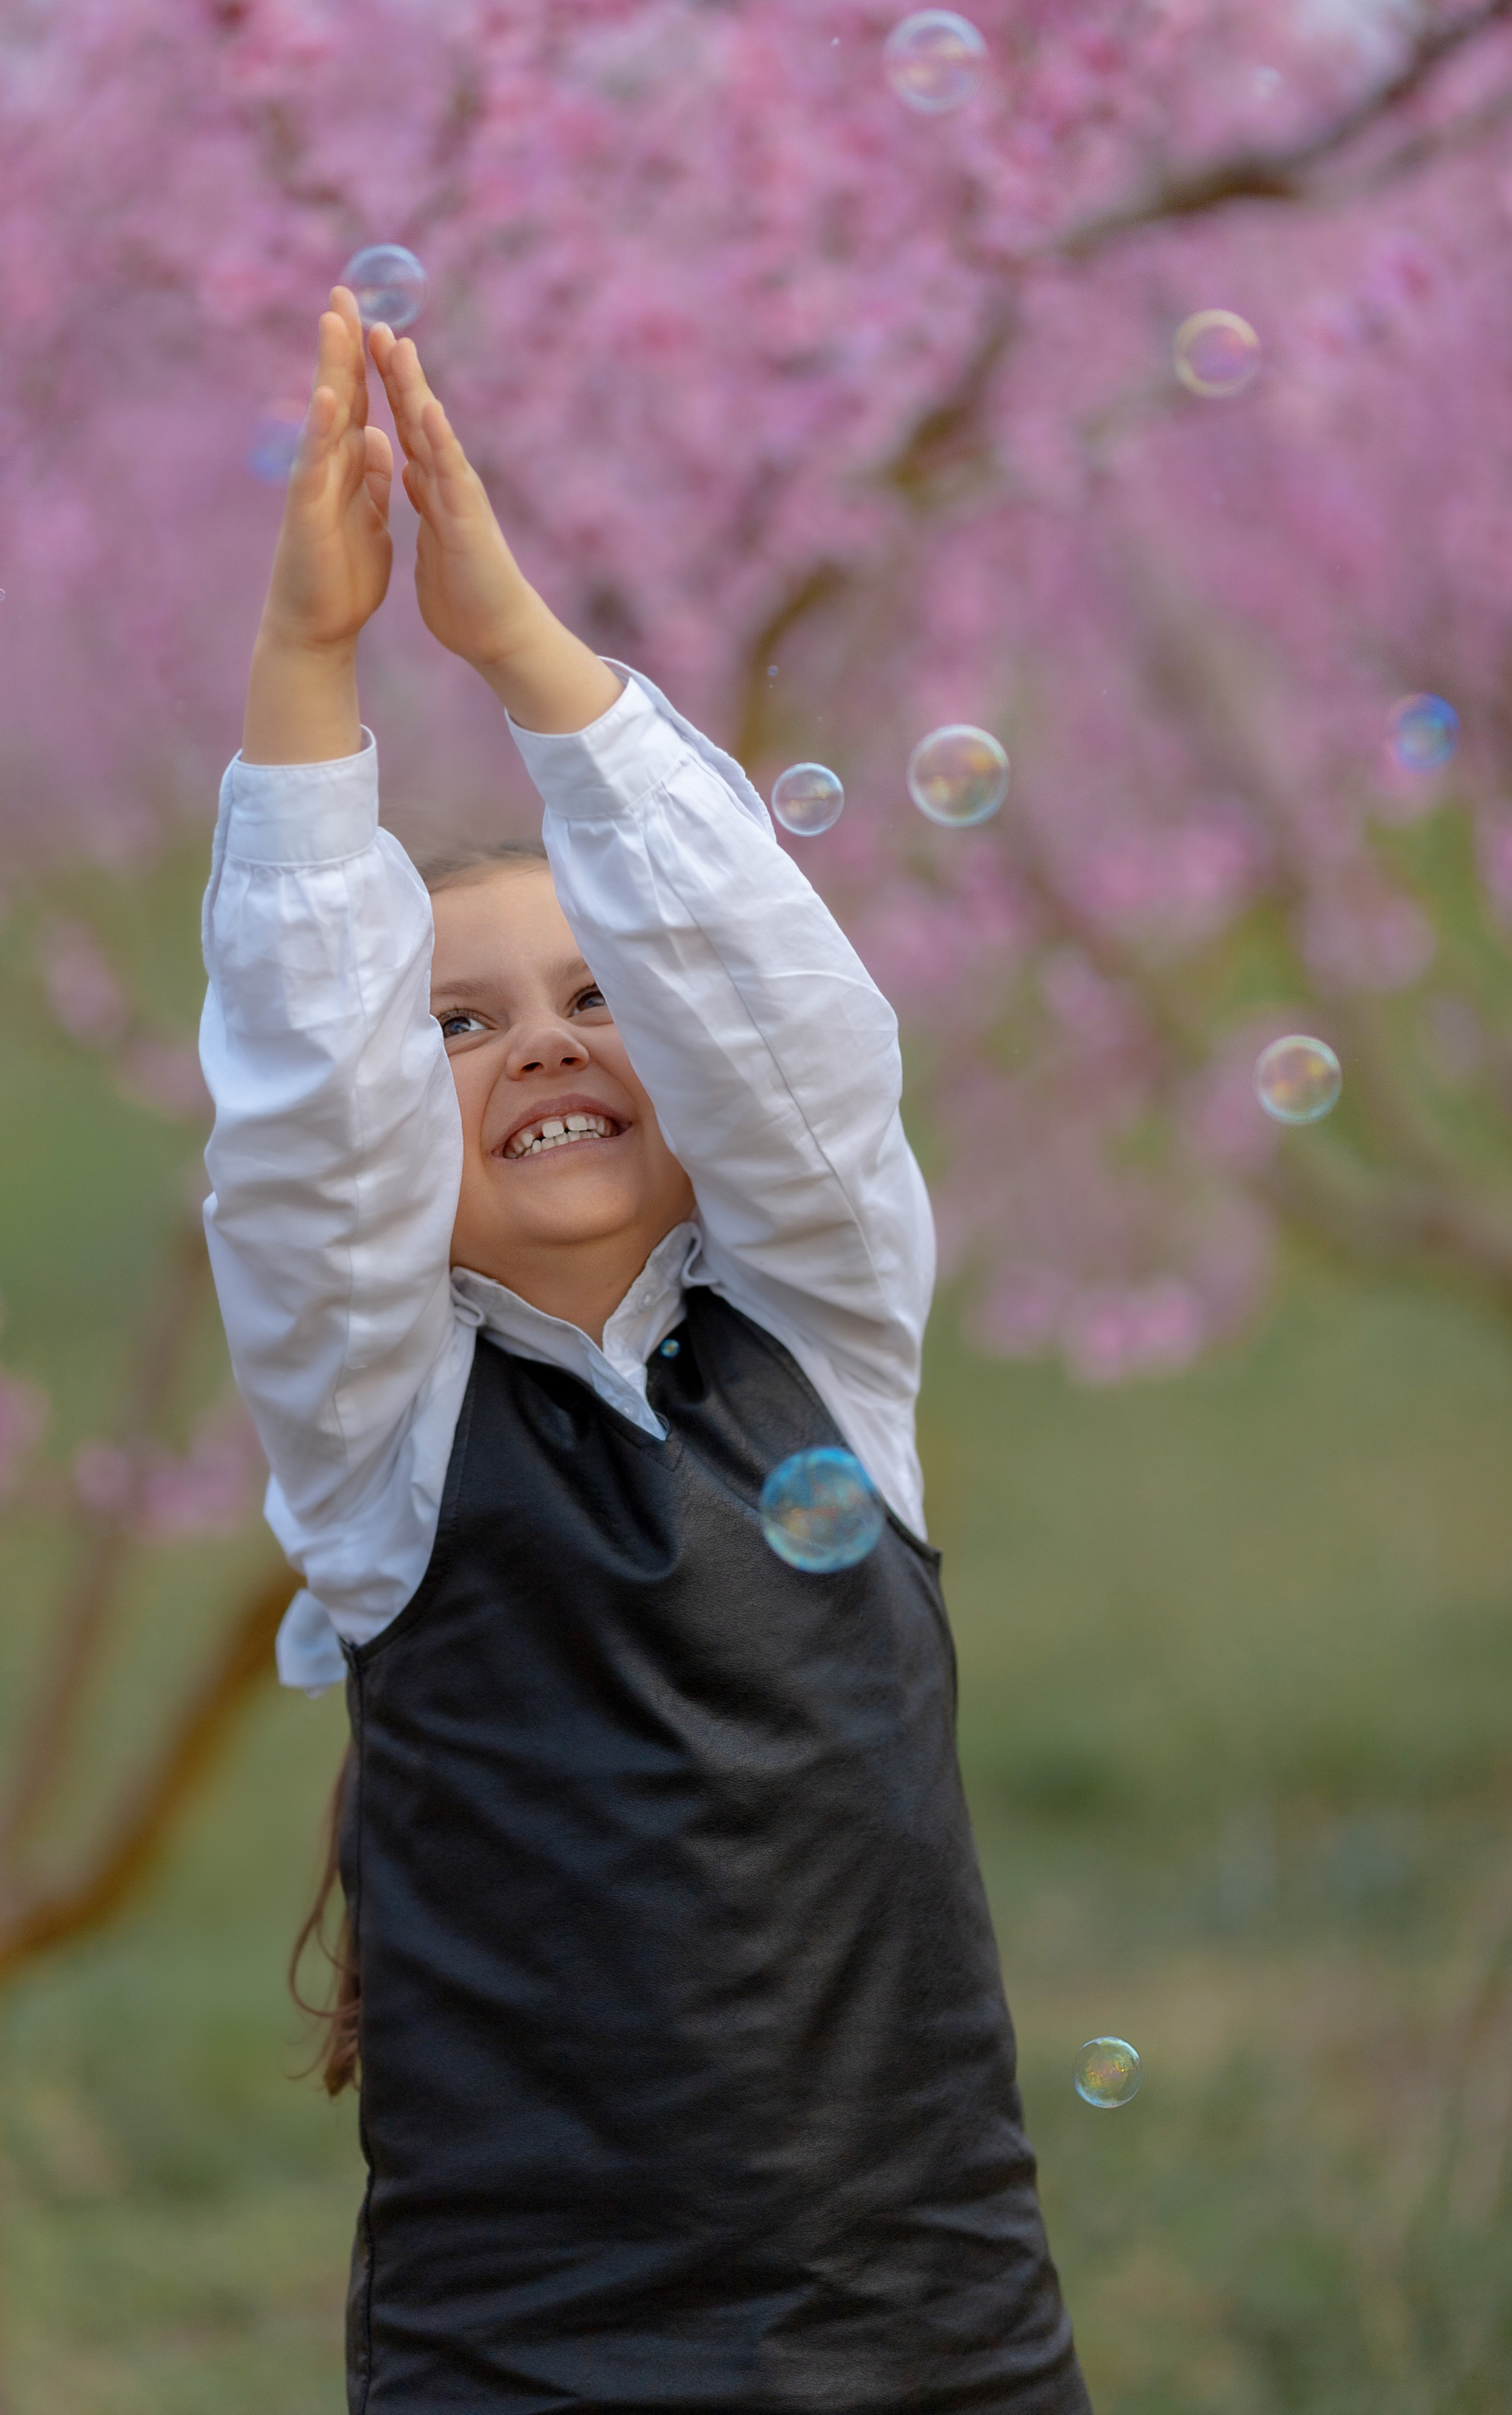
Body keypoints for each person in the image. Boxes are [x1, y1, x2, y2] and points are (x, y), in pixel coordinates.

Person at [199, 287, 1091, 2415]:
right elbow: (309, 1130)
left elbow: (783, 1021)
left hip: (931, 2328)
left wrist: (522, 648)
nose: (544, 1043)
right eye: (462, 1020)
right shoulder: (383, 1434)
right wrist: (310, 659)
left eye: (600, 997)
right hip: (533, 2354)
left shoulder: (825, 1338)